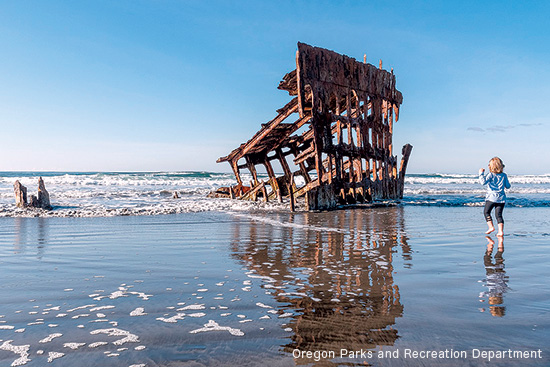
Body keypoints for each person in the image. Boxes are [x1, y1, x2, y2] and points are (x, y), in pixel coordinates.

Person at [479, 157, 511, 237]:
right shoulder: (504, 175)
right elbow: (508, 186)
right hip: (501, 198)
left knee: (486, 212)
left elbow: (483, 182)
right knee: (499, 215)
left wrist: (481, 174)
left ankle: (491, 227)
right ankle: (500, 231)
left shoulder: (491, 175)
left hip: (491, 198)